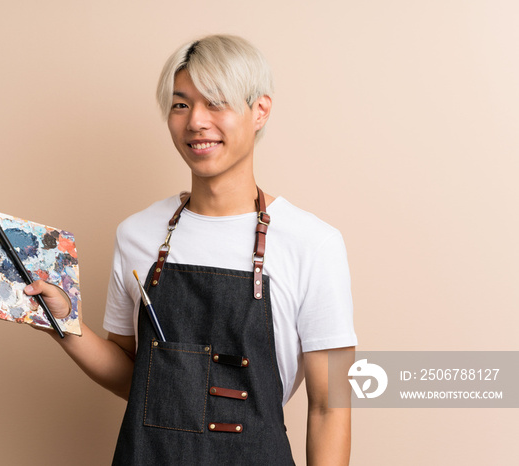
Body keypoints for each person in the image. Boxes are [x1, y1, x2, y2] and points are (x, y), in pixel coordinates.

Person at [25, 34, 357, 465]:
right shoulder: (137, 234)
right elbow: (140, 377)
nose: (196, 121)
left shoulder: (314, 244)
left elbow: (331, 406)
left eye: (216, 102)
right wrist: (63, 322)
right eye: (181, 104)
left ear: (260, 111)